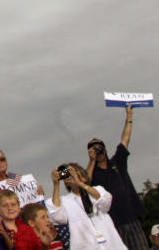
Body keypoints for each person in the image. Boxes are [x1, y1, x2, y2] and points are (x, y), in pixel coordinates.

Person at [86, 107, 148, 250]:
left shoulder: (117, 162)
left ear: (105, 149)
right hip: (112, 223)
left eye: (100, 147)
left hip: (131, 217)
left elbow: (125, 140)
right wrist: (92, 160)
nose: (98, 151)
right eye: (94, 149)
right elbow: (85, 182)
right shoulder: (91, 171)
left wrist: (129, 116)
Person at [47, 163, 126, 250]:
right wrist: (56, 184)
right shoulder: (64, 201)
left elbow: (105, 202)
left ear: (84, 178)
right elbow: (57, 217)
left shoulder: (97, 190)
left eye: (73, 172)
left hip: (112, 245)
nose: (70, 175)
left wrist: (80, 183)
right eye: (68, 173)